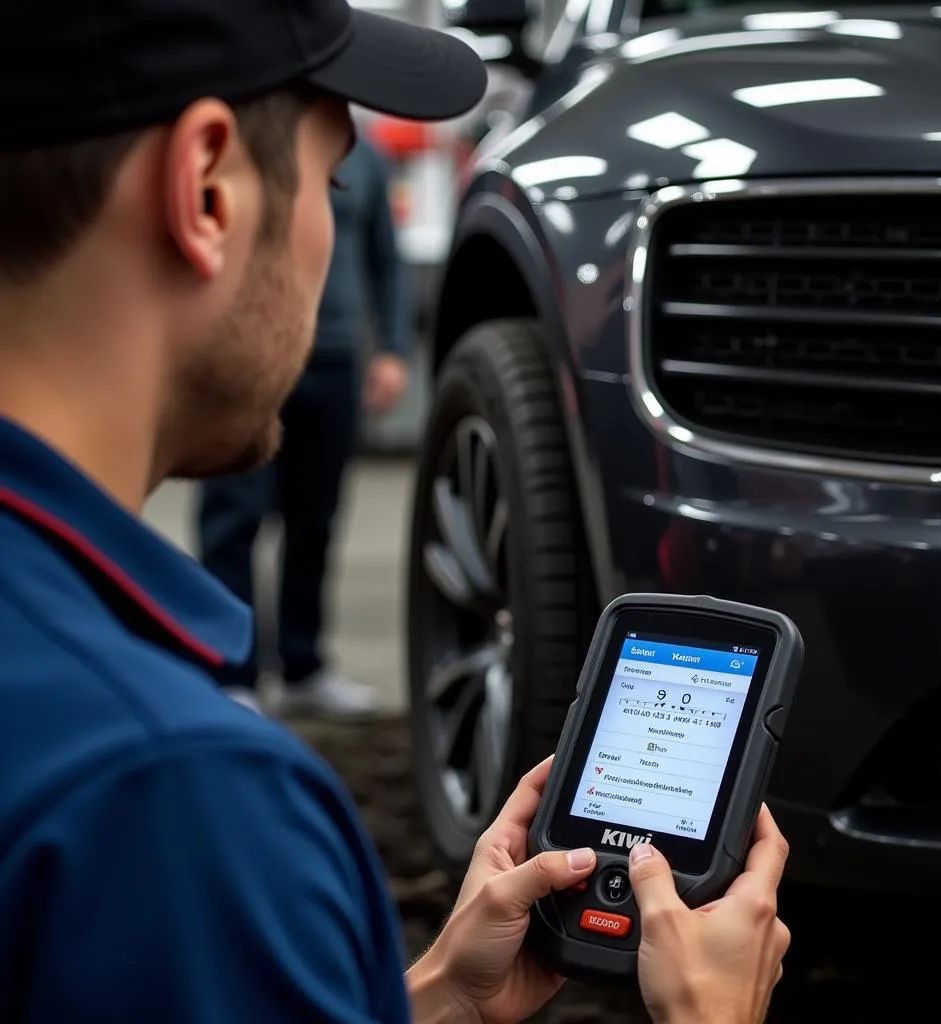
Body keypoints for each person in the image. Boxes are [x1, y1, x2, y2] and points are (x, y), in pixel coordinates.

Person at [0, 1, 791, 1021]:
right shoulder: (175, 802)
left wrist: (424, 999)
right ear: (204, 189)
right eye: (330, 178)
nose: (331, 226)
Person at [197, 134, 409, 716]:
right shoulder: (241, 142)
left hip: (333, 361)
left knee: (314, 521)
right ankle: (229, 672)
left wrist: (392, 347)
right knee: (233, 520)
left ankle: (302, 666)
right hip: (250, 360)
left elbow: (386, 260)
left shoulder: (364, 158)